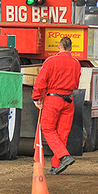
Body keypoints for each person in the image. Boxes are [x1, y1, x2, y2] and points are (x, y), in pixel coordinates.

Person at [32, 37, 81, 175]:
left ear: (59, 47)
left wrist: (36, 96)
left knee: (47, 128)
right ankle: (56, 165)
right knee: (62, 133)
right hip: (69, 99)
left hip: (53, 99)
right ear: (71, 48)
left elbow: (41, 80)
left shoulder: (50, 61)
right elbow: (76, 83)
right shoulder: (76, 63)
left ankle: (64, 156)